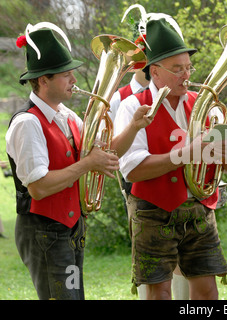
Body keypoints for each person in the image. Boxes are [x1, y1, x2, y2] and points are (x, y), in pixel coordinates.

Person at [6, 23, 153, 300]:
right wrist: (87, 164)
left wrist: (134, 126)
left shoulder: (67, 116)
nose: (73, 80)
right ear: (43, 80)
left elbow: (107, 153)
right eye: (66, 75)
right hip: (44, 230)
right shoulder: (27, 123)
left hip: (69, 227)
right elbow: (38, 187)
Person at [114, 17, 227, 300]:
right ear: (155, 72)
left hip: (198, 210)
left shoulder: (202, 104)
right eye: (177, 69)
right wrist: (188, 153)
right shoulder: (132, 106)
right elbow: (132, 170)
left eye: (188, 67)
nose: (187, 75)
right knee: (159, 292)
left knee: (208, 290)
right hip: (152, 211)